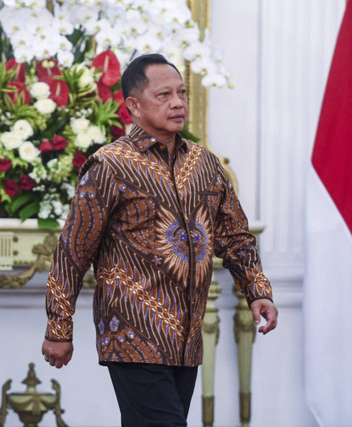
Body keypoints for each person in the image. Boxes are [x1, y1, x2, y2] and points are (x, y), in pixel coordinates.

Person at [41, 53, 278, 426]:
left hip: (187, 341)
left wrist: (258, 290)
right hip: (133, 335)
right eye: (164, 94)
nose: (178, 103)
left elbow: (234, 236)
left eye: (181, 93)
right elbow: (72, 252)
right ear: (133, 105)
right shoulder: (110, 165)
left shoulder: (205, 164)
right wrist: (59, 328)